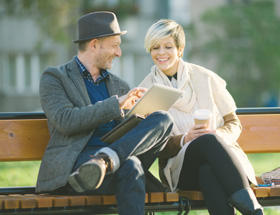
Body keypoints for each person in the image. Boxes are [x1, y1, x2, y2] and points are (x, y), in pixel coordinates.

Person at [36, 12, 173, 215]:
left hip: (116, 162)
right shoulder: (55, 78)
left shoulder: (119, 84)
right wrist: (116, 104)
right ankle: (102, 162)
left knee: (163, 118)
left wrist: (138, 121)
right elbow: (65, 121)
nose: (119, 52)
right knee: (132, 166)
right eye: (114, 45)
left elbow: (128, 136)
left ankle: (106, 160)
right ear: (94, 45)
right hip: (79, 169)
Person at [139, 19, 264, 215]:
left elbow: (234, 123)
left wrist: (216, 137)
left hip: (220, 162)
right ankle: (254, 211)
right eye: (155, 47)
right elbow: (151, 147)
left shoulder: (204, 77)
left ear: (180, 49)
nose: (161, 52)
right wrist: (184, 139)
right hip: (179, 169)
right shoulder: (147, 91)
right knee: (206, 144)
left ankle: (253, 211)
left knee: (208, 171)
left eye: (168, 46)